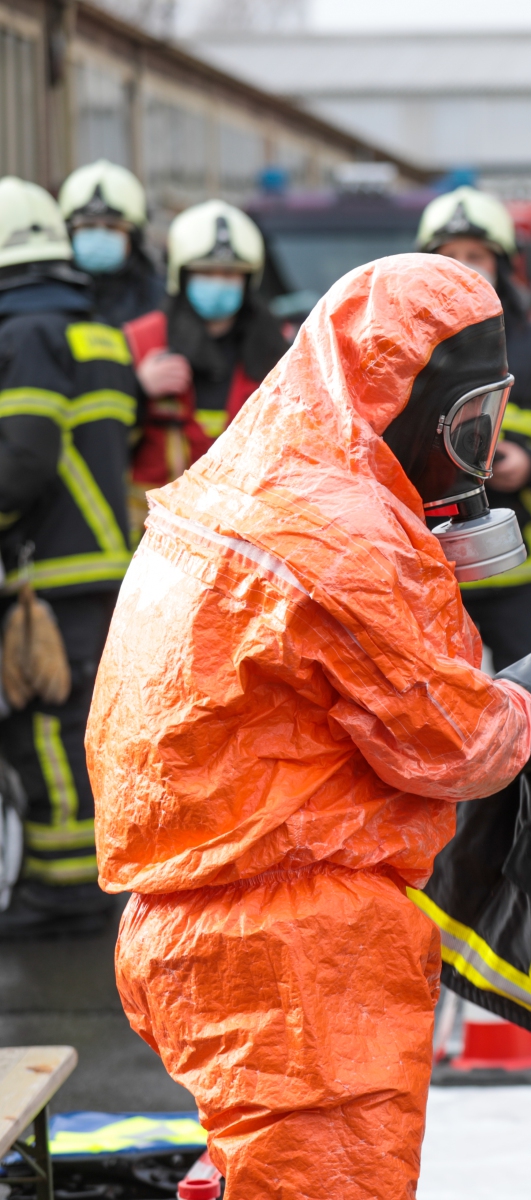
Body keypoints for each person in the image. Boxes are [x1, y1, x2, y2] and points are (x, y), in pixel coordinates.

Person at [90, 254, 531, 1196]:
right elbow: (458, 746)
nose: (471, 455)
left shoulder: (252, 480)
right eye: (465, 423)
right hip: (299, 953)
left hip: (201, 924)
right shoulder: (347, 538)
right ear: (400, 396)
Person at [0, 178, 138, 940]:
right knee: (79, 728)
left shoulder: (25, 334)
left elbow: (21, 458)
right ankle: (83, 882)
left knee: (46, 731)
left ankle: (63, 893)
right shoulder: (96, 331)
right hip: (95, 567)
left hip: (50, 572)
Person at [416, 185, 531, 668]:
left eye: (475, 255)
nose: (461, 267)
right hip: (428, 576)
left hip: (528, 579)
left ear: (501, 265)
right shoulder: (402, 353)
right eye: (447, 256)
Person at [121, 200, 288, 531]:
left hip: (245, 538)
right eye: (206, 272)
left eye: (229, 274)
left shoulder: (279, 354)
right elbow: (102, 440)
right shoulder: (140, 341)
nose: (218, 282)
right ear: (182, 276)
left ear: (248, 280)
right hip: (155, 539)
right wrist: (137, 390)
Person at [57, 160, 162, 329]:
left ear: (134, 236)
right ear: (69, 233)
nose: (99, 236)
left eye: (112, 227)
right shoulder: (51, 295)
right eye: (88, 226)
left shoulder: (159, 298)